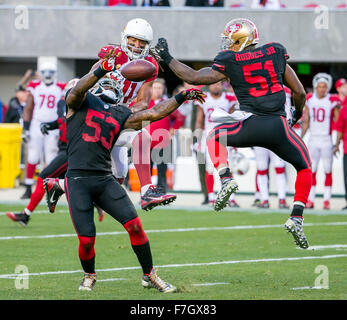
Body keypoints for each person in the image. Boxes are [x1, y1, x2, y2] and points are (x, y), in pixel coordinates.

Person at [44, 51, 205, 291]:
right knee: (87, 240)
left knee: (135, 226)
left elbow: (152, 113)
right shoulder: (79, 102)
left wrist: (181, 97)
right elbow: (77, 91)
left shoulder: (119, 113)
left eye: (113, 83)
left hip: (103, 179)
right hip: (78, 179)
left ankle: (150, 274)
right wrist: (99, 70)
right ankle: (89, 274)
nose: (110, 86)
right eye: (105, 82)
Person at [154, 18, 311, 249]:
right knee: (304, 167)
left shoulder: (230, 60)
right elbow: (299, 91)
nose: (226, 44)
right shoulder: (275, 52)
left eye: (230, 39)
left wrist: (167, 58)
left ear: (240, 39)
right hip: (278, 126)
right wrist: (296, 114)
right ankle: (296, 216)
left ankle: (226, 178)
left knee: (214, 136)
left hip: (250, 125)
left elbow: (193, 77)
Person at [96, 18, 176, 211]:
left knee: (122, 170)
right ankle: (59, 185)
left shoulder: (150, 65)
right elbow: (93, 80)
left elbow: (142, 101)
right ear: (125, 38)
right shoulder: (111, 54)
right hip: (98, 113)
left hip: (121, 114)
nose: (137, 45)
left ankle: (146, 192)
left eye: (142, 42)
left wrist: (127, 111)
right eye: (133, 40)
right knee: (78, 166)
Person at [21, 62, 66, 199]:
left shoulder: (61, 87)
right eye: (45, 71)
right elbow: (29, 107)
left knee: (52, 158)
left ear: (55, 73)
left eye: (50, 72)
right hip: (36, 124)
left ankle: (50, 187)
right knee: (33, 156)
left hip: (53, 126)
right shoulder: (35, 86)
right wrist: (26, 128)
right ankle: (28, 188)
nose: (47, 75)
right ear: (41, 73)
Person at [194, 81, 239, 207]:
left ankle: (231, 197)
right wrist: (196, 139)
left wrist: (235, 138)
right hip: (209, 134)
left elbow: (233, 118)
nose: (216, 86)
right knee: (209, 167)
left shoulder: (229, 98)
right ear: (209, 85)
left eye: (219, 84)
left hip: (225, 133)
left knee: (228, 165)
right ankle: (211, 197)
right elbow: (199, 120)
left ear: (222, 86)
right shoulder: (204, 98)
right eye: (213, 84)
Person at [301, 73, 341, 210]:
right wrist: (300, 137)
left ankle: (326, 200)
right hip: (313, 139)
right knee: (312, 171)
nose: (322, 89)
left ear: (328, 87)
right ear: (315, 87)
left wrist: (337, 142)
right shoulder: (310, 99)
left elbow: (337, 121)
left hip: (326, 139)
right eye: (320, 86)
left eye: (324, 86)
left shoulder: (332, 100)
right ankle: (311, 199)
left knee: (328, 170)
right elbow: (306, 120)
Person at [147, 78, 185, 193]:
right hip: (146, 141)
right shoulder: (145, 103)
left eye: (159, 88)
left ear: (163, 89)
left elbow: (180, 117)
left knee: (162, 168)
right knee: (146, 169)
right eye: (155, 87)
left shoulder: (167, 103)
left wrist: (174, 129)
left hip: (162, 141)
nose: (157, 90)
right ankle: (146, 192)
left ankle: (162, 192)